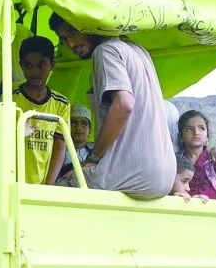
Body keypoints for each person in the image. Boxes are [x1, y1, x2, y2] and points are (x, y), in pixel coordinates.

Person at [50, 15, 173, 200]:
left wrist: (93, 159)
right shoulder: (138, 50)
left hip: (134, 173)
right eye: (64, 39)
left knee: (58, 190)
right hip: (165, 177)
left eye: (73, 31)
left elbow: (123, 105)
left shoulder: (105, 51)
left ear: (91, 23)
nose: (71, 43)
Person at [14, 35, 71, 186]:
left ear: (52, 65)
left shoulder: (61, 104)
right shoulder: (10, 99)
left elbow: (60, 147)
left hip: (45, 184)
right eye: (28, 65)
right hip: (14, 182)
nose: (35, 72)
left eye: (41, 65)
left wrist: (48, 185)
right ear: (21, 65)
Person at [55, 104, 95, 186]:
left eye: (84, 123)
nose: (79, 128)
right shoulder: (56, 150)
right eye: (73, 123)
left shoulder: (94, 153)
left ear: (90, 131)